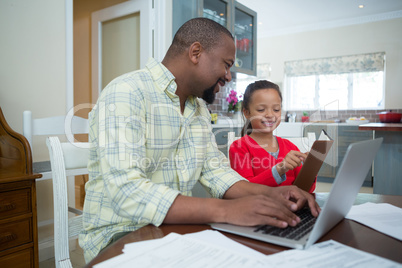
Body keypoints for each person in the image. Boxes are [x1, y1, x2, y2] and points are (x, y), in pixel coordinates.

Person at [79, 18, 320, 262]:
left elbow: (216, 173)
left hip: (172, 232)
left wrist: (273, 195)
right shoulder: (127, 92)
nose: (228, 77)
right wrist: (227, 211)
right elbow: (126, 191)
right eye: (226, 65)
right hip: (119, 237)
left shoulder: (198, 110)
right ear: (196, 52)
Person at [229, 80, 316, 193]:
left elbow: (304, 190)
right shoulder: (239, 147)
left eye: (276, 109)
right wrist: (279, 169)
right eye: (261, 110)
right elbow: (245, 191)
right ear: (247, 113)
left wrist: (310, 170)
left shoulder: (290, 146)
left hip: (290, 208)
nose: (270, 115)